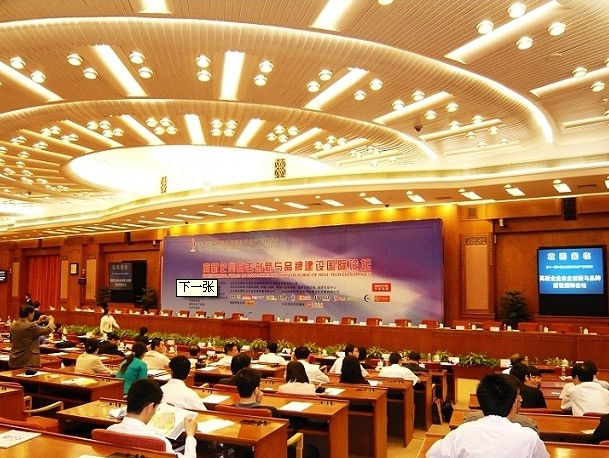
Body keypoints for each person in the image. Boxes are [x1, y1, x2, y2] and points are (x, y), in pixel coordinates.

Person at [427, 373, 549, 458]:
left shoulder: (462, 432)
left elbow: (432, 455)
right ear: (514, 403)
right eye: (518, 396)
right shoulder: (529, 437)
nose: (521, 399)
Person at [107, 378, 197, 458]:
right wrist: (190, 436)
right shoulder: (159, 443)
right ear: (150, 407)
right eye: (157, 408)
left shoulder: (109, 431)